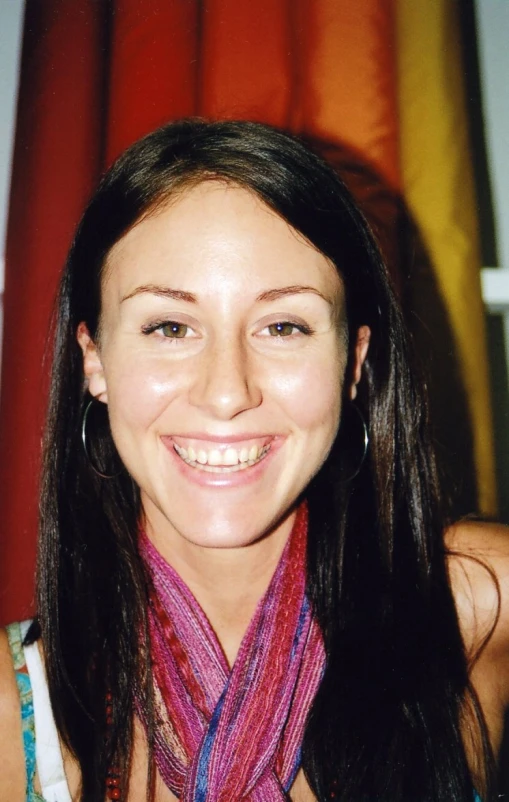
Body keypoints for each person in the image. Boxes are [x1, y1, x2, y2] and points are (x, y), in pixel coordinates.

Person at [0, 119, 508, 802]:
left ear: (352, 363)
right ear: (94, 359)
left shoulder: (479, 606)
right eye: (170, 328)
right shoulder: (13, 708)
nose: (226, 391)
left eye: (282, 326)